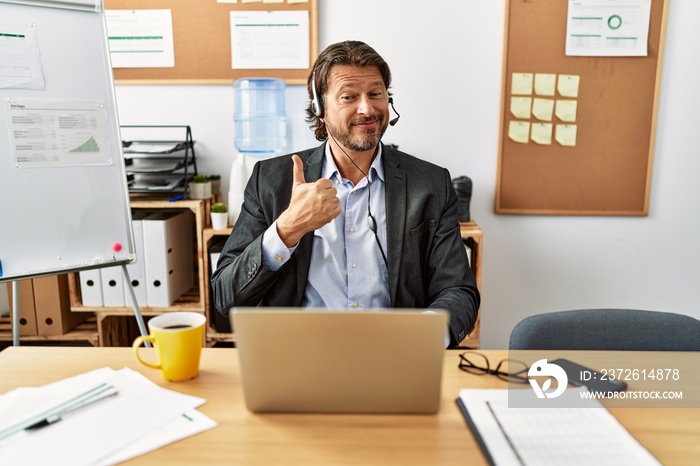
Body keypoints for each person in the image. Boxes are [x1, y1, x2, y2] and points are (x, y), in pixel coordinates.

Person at [212, 40, 479, 347]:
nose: (367, 108)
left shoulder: (430, 184)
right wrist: (288, 229)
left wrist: (422, 338)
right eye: (349, 96)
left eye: (376, 94)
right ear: (319, 109)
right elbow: (224, 297)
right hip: (299, 359)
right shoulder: (271, 181)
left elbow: (459, 291)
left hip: (397, 359)